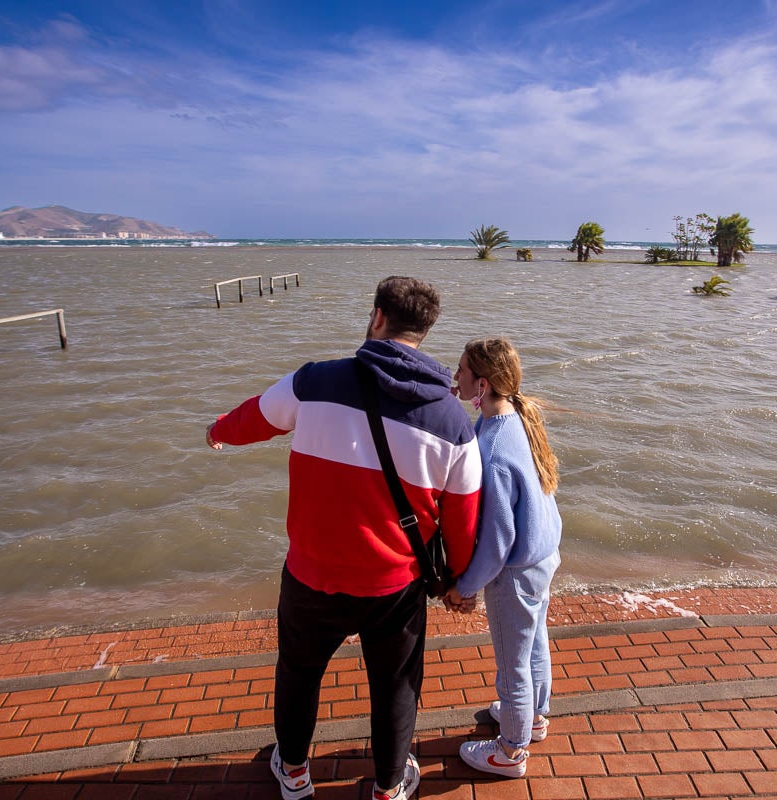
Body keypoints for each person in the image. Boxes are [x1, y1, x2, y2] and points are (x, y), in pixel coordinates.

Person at [207, 276, 482, 800]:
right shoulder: (453, 421)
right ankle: (388, 784)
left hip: (311, 577)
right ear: (425, 331)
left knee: (298, 674)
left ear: (377, 316)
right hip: (394, 590)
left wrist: (218, 429)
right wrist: (459, 584)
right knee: (396, 688)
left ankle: (292, 772)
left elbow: (255, 418)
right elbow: (463, 522)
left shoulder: (315, 382)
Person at [446, 337, 562, 779]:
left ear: (484, 382)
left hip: (514, 571)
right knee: (534, 643)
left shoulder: (492, 448)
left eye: (460, 370)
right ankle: (534, 717)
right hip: (543, 555)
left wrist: (467, 586)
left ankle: (510, 752)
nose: (454, 376)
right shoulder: (515, 418)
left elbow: (496, 540)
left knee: (512, 663)